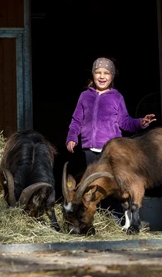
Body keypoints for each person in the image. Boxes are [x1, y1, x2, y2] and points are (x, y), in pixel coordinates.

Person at [66, 57, 156, 219]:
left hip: (112, 153)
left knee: (114, 187)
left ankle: (116, 219)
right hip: (90, 150)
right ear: (93, 75)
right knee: (93, 187)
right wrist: (72, 136)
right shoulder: (84, 96)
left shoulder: (116, 97)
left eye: (106, 73)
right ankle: (96, 218)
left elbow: (125, 122)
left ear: (112, 76)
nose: (102, 76)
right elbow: (76, 120)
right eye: (98, 72)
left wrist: (141, 123)